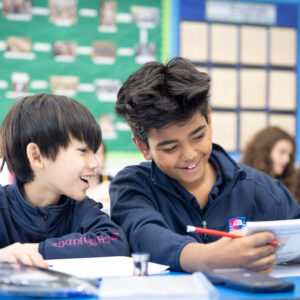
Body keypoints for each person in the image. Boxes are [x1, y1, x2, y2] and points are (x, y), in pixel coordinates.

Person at [110, 57, 300, 274]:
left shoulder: (260, 189)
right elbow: (144, 234)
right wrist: (209, 258)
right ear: (144, 147)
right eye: (171, 148)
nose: (189, 155)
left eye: (198, 136)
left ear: (208, 119)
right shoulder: (133, 186)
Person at [0, 93, 130, 268]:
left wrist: (38, 249)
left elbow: (115, 242)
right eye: (83, 150)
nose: (95, 163)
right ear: (37, 156)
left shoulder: (81, 208)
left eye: (94, 152)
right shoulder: (3, 206)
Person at [241, 126, 298, 202]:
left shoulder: (294, 183)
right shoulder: (242, 181)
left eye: (289, 155)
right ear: (264, 152)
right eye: (282, 152)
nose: (287, 159)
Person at [86, 142, 112, 213]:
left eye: (97, 154)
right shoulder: (68, 185)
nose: (92, 159)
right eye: (86, 153)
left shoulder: (112, 182)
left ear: (104, 159)